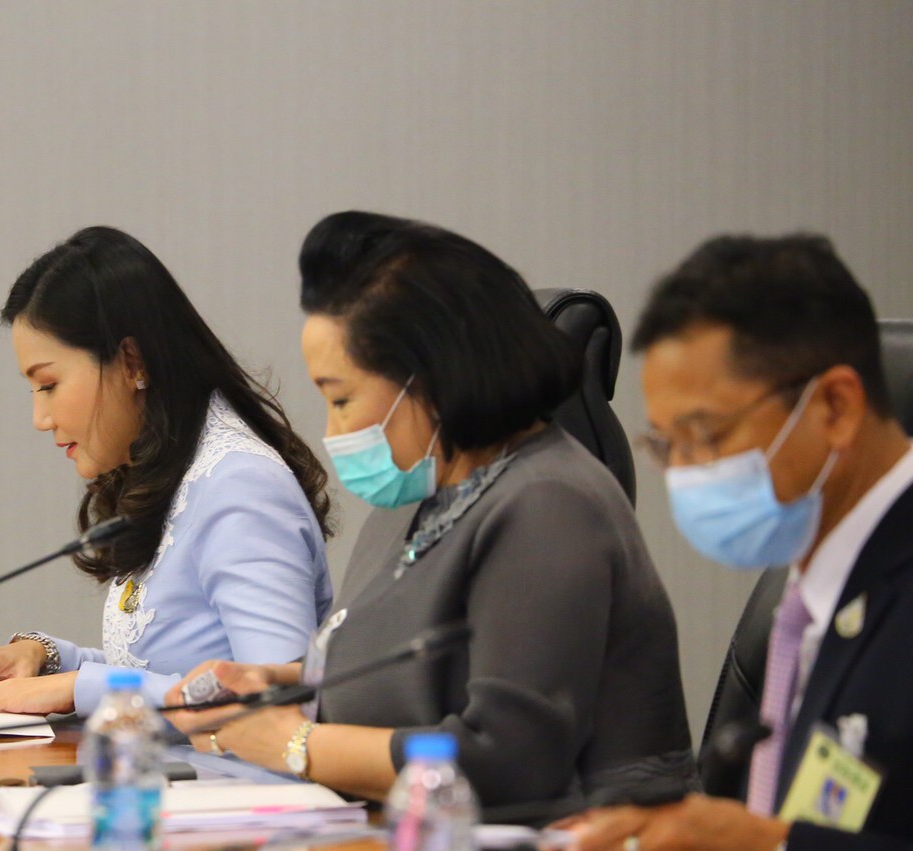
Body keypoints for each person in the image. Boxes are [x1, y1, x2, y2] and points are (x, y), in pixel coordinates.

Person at [165, 211, 695, 810]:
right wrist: (272, 686)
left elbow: (505, 760)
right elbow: (411, 680)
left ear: (434, 378)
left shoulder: (549, 505)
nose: (333, 430)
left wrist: (294, 745)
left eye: (342, 398)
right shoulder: (424, 496)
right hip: (415, 836)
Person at [560, 234, 913, 851]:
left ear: (835, 407)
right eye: (669, 446)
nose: (688, 475)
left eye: (706, 436)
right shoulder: (821, 584)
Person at [0, 226, 335, 716]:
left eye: (48, 385)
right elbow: (175, 671)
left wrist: (79, 688)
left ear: (132, 361)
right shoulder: (179, 468)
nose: (40, 419)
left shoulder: (241, 486)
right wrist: (49, 660)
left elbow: (276, 700)